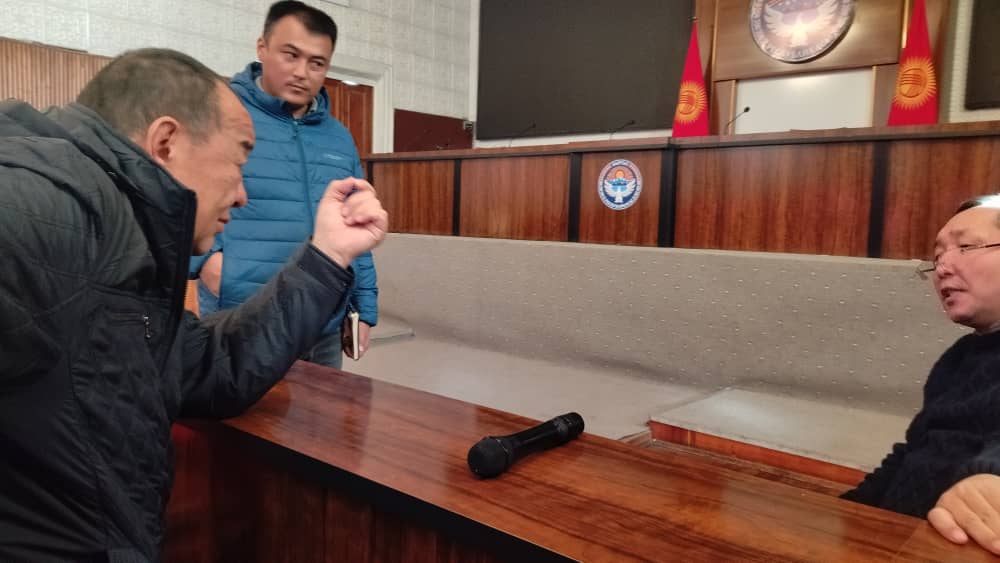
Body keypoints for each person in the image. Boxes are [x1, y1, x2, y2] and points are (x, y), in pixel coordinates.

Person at [0, 48, 387, 562]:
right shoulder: (49, 203)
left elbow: (211, 364)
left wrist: (328, 255)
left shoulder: (119, 238)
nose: (243, 194)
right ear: (166, 143)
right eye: (239, 161)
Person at [191, 0, 378, 369]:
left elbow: (357, 224)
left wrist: (364, 306)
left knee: (321, 408)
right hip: (243, 311)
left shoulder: (339, 138)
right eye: (290, 55)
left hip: (321, 318)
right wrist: (208, 265)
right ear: (262, 48)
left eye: (317, 63)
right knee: (237, 406)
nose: (301, 72)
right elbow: (182, 196)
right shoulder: (220, 115)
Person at [842, 194, 1000, 556]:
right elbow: (914, 450)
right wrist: (850, 513)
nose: (942, 267)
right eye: (938, 256)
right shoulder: (957, 357)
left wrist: (991, 477)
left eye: (965, 247)